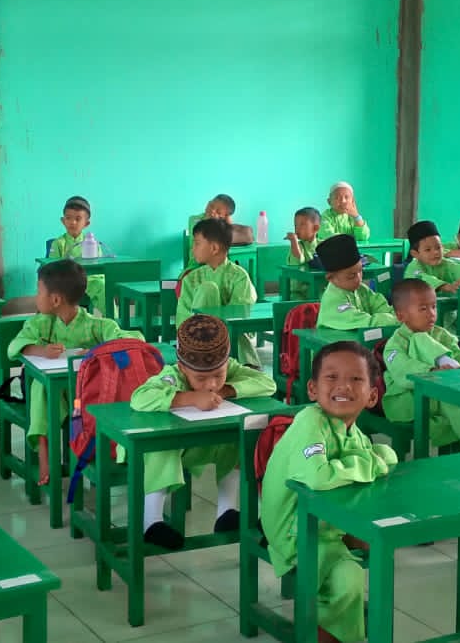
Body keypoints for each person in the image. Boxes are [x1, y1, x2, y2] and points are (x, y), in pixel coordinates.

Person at [260, 341, 397, 643]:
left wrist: (375, 459)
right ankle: (322, 630)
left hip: (325, 527)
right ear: (312, 389)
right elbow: (317, 476)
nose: (343, 386)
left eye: (356, 379)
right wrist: (371, 463)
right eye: (331, 377)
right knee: (343, 580)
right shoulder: (310, 422)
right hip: (293, 532)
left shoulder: (354, 434)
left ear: (372, 396)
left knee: (352, 577)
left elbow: (381, 458)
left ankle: (337, 632)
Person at [131, 315, 277, 550]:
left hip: (206, 444)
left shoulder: (229, 370)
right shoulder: (173, 375)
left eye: (218, 375)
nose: (211, 384)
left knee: (240, 440)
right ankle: (151, 522)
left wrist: (228, 389)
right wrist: (189, 398)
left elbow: (268, 384)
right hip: (173, 449)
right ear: (182, 367)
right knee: (162, 445)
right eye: (200, 378)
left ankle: (226, 511)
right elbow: (139, 398)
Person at [9, 259, 143, 485]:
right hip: (47, 389)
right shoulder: (40, 324)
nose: (36, 297)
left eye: (39, 291)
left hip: (83, 394)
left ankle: (91, 447)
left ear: (55, 300)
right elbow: (14, 347)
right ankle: (44, 449)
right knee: (41, 388)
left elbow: (134, 339)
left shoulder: (95, 324)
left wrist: (96, 351)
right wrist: (41, 350)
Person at [382, 279, 460, 460]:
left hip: (441, 394)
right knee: (420, 339)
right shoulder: (394, 345)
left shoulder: (440, 334)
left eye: (434, 306)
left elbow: (457, 351)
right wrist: (431, 371)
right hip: (408, 400)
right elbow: (402, 372)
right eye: (423, 309)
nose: (431, 314)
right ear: (401, 316)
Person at [178, 218, 260, 366]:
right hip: (196, 338)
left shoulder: (239, 276)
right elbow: (183, 318)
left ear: (214, 248)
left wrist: (217, 329)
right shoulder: (191, 278)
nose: (193, 249)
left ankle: (242, 364)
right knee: (208, 289)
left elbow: (241, 316)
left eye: (197, 243)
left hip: (229, 337)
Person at [316, 235, 399, 330]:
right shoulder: (333, 300)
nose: (358, 279)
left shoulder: (362, 289)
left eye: (360, 271)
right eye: (351, 276)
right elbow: (366, 322)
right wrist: (397, 320)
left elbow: (381, 306)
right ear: (331, 278)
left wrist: (400, 315)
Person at [48, 196, 107, 309]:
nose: (73, 222)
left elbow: (99, 268)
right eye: (68, 218)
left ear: (86, 223)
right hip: (67, 281)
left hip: (89, 280)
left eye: (78, 219)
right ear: (63, 221)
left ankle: (113, 318)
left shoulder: (93, 244)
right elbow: (52, 267)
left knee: (102, 286)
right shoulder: (58, 243)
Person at [403, 220, 460, 292]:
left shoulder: (445, 264)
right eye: (428, 250)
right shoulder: (414, 267)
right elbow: (422, 278)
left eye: (438, 247)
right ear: (415, 254)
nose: (435, 252)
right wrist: (445, 286)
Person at [285, 207, 323, 300]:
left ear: (316, 228)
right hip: (299, 291)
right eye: (295, 225)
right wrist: (293, 241)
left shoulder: (323, 245)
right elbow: (298, 260)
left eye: (302, 225)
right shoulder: (297, 246)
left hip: (319, 289)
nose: (297, 229)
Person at [188, 194, 255, 245]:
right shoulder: (194, 219)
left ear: (224, 218)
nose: (212, 211)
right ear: (208, 202)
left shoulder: (220, 226)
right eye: (211, 205)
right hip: (198, 260)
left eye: (218, 212)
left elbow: (248, 236)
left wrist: (228, 223)